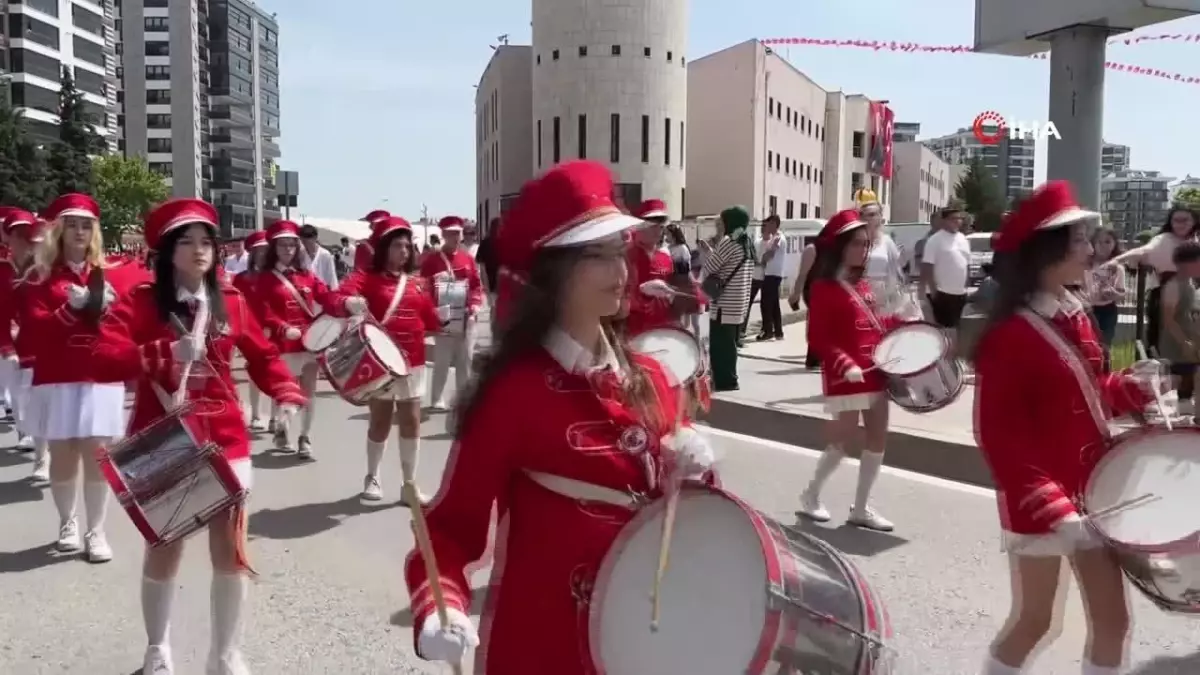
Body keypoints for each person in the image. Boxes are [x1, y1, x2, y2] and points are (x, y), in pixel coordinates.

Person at [405, 159, 716, 674]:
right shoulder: (511, 394)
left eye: (623, 253)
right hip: (544, 642)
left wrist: (697, 474)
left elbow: (691, 522)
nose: (623, 273)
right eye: (602, 256)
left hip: (644, 636)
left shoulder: (653, 378)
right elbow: (449, 528)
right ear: (556, 271)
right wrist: (441, 608)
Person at [92, 198, 307, 675]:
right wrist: (162, 350)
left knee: (230, 548)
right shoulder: (141, 301)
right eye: (186, 242)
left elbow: (263, 355)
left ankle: (225, 654)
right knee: (166, 545)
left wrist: (286, 391)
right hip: (164, 434)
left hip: (226, 435)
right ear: (167, 251)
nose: (199, 250)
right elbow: (103, 357)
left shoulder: (230, 300)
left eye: (206, 241)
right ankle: (157, 648)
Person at [972, 181, 1157, 675]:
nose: (1090, 249)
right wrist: (1055, 508)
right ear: (1048, 251)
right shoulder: (1010, 336)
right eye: (1079, 240)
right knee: (1037, 621)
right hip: (1044, 503)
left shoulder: (1074, 316)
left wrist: (1133, 387)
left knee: (1113, 622)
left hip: (1095, 490)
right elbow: (999, 437)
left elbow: (1092, 392)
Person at [24, 194, 128, 563]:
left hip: (99, 375)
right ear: (60, 230)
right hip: (57, 375)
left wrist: (110, 311)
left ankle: (96, 530)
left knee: (98, 454)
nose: (80, 232)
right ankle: (68, 522)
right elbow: (34, 332)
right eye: (72, 224)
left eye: (86, 225)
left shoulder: (107, 273)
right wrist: (71, 309)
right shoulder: (41, 276)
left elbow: (125, 328)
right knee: (64, 453)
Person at [795, 209, 902, 532]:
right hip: (846, 374)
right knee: (842, 440)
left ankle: (861, 507)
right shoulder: (825, 288)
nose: (863, 249)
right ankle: (811, 494)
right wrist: (846, 363)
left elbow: (880, 324)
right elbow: (818, 338)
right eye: (856, 243)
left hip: (875, 370)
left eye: (866, 243)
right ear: (840, 245)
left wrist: (907, 329)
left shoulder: (867, 285)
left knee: (879, 437)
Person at [334, 216, 444, 502]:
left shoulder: (418, 282)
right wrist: (349, 302)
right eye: (397, 245)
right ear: (384, 248)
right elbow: (338, 296)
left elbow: (430, 318)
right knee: (380, 421)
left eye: (407, 246)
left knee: (411, 421)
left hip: (414, 362)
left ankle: (409, 484)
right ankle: (373, 476)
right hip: (380, 363)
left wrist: (447, 314)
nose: (404, 251)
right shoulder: (365, 278)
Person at [255, 220, 341, 457]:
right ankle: (283, 426)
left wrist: (345, 303)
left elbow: (327, 296)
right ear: (274, 248)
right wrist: (282, 328)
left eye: (292, 245)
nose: (288, 250)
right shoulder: (265, 279)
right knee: (286, 391)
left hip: (309, 343)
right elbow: (262, 311)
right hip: (283, 345)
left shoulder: (307, 276)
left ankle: (306, 437)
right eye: (283, 246)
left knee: (309, 392)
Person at [1105, 207, 1197, 358]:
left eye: (1185, 220)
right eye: (1176, 220)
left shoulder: (1194, 240)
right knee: (1165, 339)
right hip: (1165, 292)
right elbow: (1143, 250)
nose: (1180, 224)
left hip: (1187, 293)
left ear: (1194, 221)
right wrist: (1117, 260)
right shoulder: (1164, 239)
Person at [0, 209, 49, 482]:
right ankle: (28, 435)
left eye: (26, 234)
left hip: (41, 344)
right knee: (20, 400)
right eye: (17, 234)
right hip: (10, 344)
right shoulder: (3, 270)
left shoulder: (42, 268)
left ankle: (44, 457)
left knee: (39, 401)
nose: (23, 240)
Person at [420, 216, 484, 412]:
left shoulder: (467, 259)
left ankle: (462, 400)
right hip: (443, 317)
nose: (456, 237)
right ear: (443, 235)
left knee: (465, 361)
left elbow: (475, 286)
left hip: (466, 316)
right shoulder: (431, 261)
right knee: (442, 360)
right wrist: (431, 311)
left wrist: (474, 306)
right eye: (451, 234)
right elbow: (422, 288)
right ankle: (437, 399)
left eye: (458, 233)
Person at [701, 206, 754, 391]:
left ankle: (725, 381)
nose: (720, 225)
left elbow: (709, 267)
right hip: (739, 303)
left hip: (724, 302)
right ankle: (730, 378)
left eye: (722, 221)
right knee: (730, 344)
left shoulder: (729, 241)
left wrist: (709, 252)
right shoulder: (747, 242)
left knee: (720, 344)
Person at [231, 231, 270, 430]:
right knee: (256, 371)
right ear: (252, 253)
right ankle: (255, 413)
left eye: (266, 249)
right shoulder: (242, 279)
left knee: (277, 371)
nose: (263, 253)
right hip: (250, 330)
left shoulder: (277, 277)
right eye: (259, 250)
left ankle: (276, 417)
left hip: (276, 330)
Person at [1157, 242, 1200, 417]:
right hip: (1177, 341)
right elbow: (1168, 319)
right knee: (1179, 377)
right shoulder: (1174, 286)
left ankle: (1187, 409)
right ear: (1186, 263)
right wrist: (1184, 341)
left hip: (1189, 339)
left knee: (1189, 375)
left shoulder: (1189, 283)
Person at [921, 202, 971, 345]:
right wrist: (933, 289)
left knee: (955, 327)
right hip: (942, 292)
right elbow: (927, 266)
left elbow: (967, 262)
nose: (957, 221)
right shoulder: (935, 240)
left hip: (960, 292)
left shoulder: (963, 239)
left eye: (960, 218)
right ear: (945, 221)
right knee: (944, 329)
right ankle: (944, 359)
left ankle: (952, 358)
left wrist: (967, 284)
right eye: (953, 219)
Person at [624, 199, 677, 335]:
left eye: (661, 226)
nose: (658, 231)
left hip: (660, 332)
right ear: (639, 226)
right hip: (631, 331)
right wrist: (641, 293)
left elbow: (671, 295)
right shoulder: (625, 257)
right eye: (652, 225)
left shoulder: (665, 258)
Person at [1086, 227, 1126, 349]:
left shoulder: (1118, 268)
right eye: (1099, 242)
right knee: (1088, 343)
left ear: (1114, 244)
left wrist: (1114, 294)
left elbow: (1121, 294)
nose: (1103, 245)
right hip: (1088, 309)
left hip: (1108, 311)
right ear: (1093, 243)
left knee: (1105, 345)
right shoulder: (1085, 265)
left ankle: (1105, 366)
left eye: (1108, 242)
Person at [787, 240, 820, 369]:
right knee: (817, 324)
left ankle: (816, 358)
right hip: (814, 290)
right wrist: (796, 294)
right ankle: (813, 359)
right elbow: (802, 274)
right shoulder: (812, 249)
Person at [756, 214, 786, 341]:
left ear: (774, 224)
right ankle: (778, 331)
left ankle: (767, 330)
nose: (766, 226)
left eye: (768, 223)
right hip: (772, 273)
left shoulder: (777, 237)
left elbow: (771, 253)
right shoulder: (775, 237)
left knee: (766, 303)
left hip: (772, 274)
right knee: (774, 304)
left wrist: (762, 260)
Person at [299, 224, 340, 290]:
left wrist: (334, 293)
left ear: (315, 238)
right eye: (303, 242)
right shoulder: (300, 253)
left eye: (307, 241)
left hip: (322, 291)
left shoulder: (325, 254)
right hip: (306, 292)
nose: (305, 244)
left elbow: (332, 277)